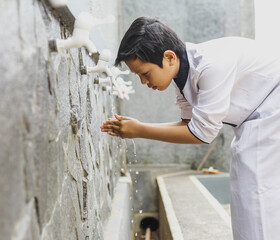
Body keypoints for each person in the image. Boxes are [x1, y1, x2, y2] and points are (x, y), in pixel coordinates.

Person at [100, 16, 280, 240]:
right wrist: (139, 128)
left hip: (272, 103)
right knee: (248, 187)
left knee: (255, 187)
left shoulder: (210, 66)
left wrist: (140, 130)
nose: (144, 82)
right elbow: (189, 125)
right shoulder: (182, 75)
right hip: (257, 114)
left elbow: (202, 134)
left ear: (169, 57)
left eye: (145, 74)